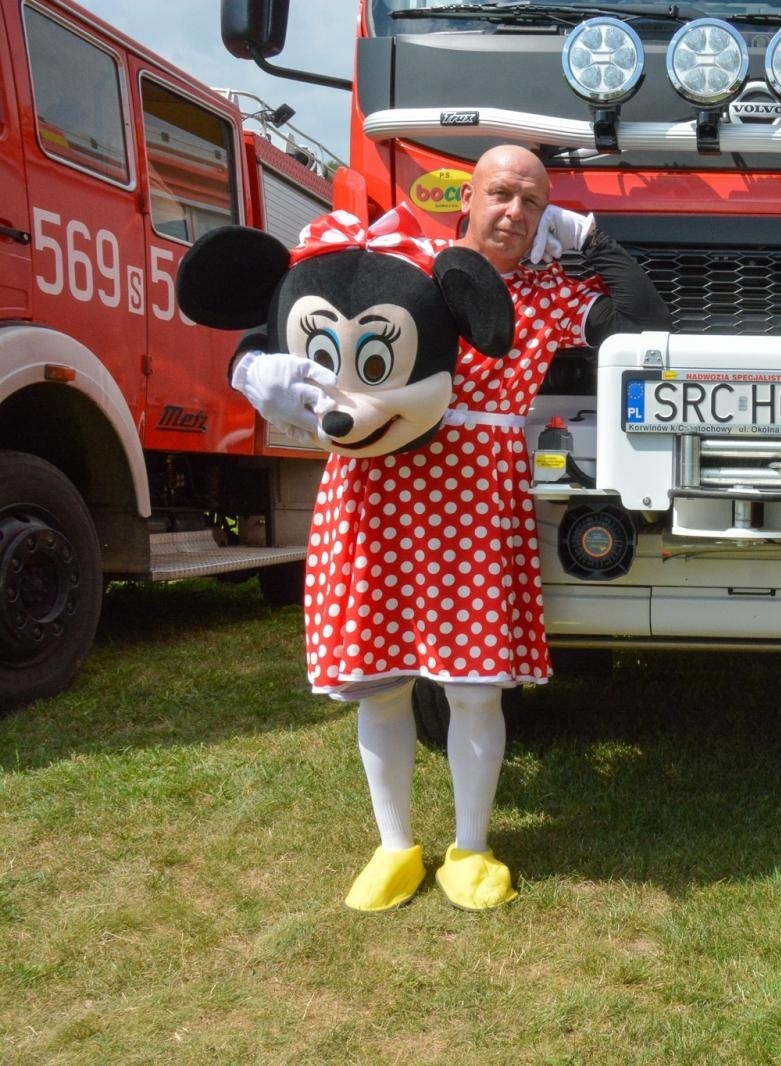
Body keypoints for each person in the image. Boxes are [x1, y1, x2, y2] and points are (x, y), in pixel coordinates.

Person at [243, 144, 668, 912]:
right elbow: (290, 309)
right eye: (501, 194)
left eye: (533, 202)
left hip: (477, 503)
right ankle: (395, 846)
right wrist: (254, 370)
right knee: (380, 683)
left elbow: (645, 320)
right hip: (376, 492)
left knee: (474, 689)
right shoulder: (407, 264)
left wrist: (593, 240)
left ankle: (470, 848)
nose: (514, 213)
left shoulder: (546, 294)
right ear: (467, 197)